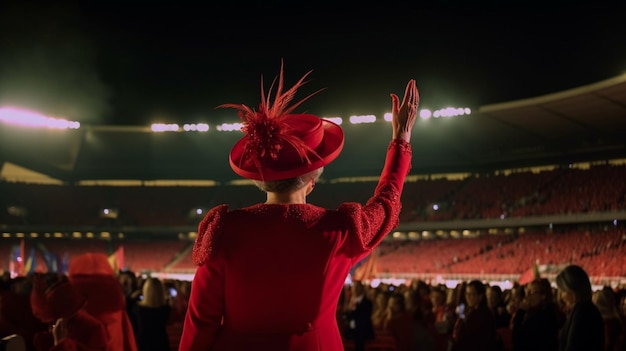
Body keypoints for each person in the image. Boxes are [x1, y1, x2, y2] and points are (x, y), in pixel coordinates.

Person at [178, 64, 419, 351]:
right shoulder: (341, 230)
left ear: (260, 178)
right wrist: (400, 140)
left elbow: (200, 323)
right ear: (312, 180)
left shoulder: (223, 230)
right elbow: (386, 201)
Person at [555, 264, 604, 351]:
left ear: (572, 290)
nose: (562, 297)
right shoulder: (586, 309)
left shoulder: (582, 312)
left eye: (563, 291)